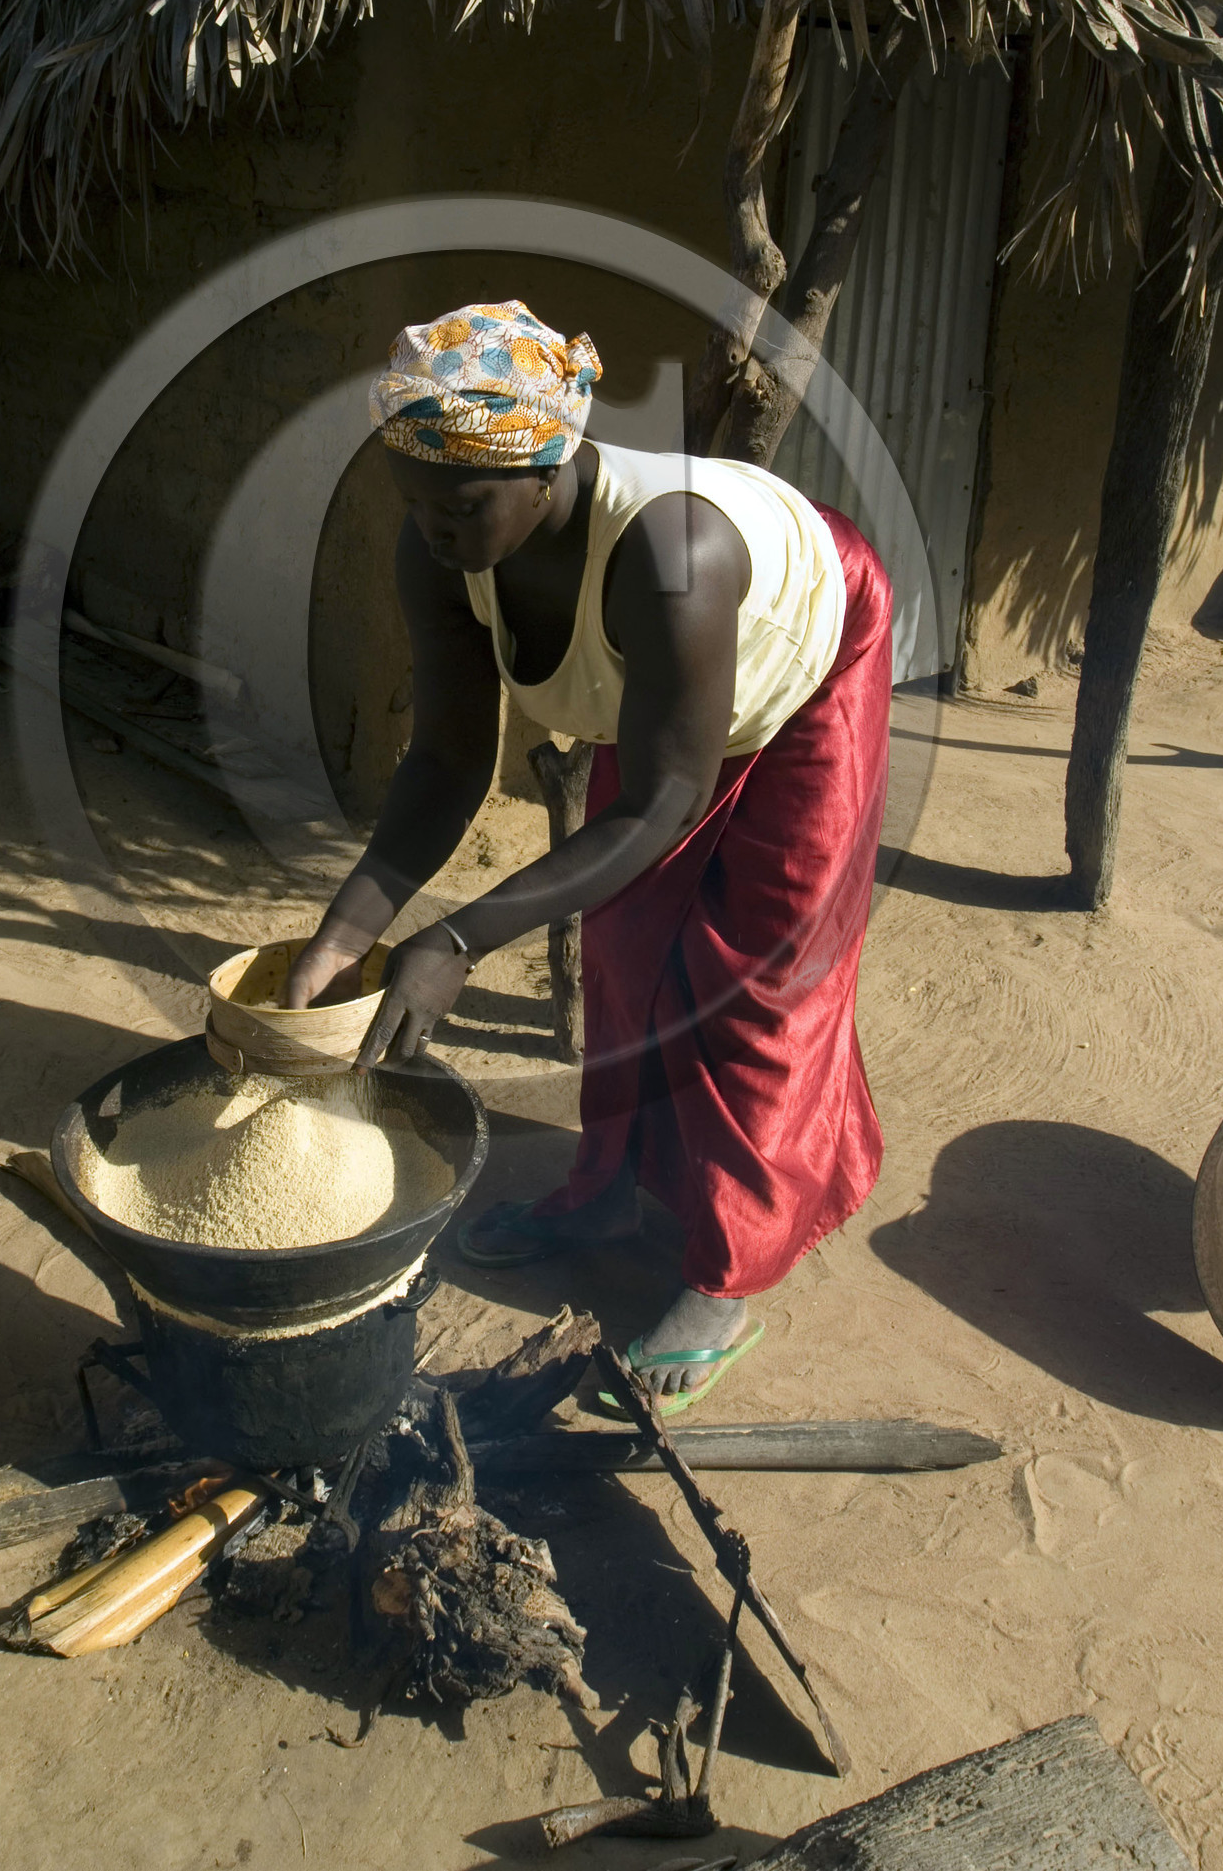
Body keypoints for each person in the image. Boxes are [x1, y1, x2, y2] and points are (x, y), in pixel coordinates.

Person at [287, 300, 891, 1409]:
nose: (433, 528)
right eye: (413, 502)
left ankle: (724, 1272)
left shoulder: (675, 551)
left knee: (758, 976)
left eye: (464, 504)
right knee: (623, 945)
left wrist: (460, 938)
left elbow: (663, 800)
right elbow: (446, 761)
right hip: (659, 704)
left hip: (806, 659)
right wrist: (348, 931)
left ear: (549, 466)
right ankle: (608, 1188)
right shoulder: (441, 547)